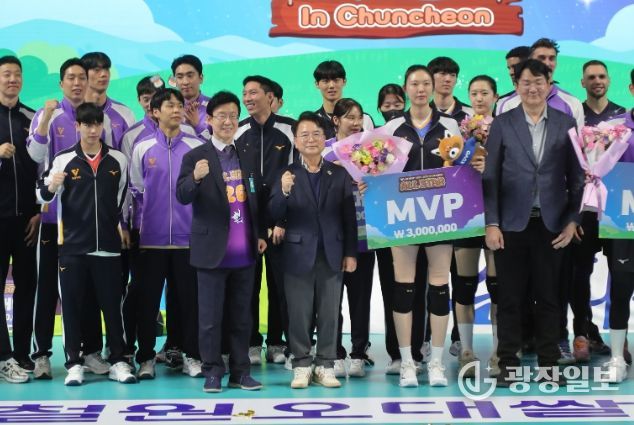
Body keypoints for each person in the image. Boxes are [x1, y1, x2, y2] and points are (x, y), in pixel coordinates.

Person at [483, 59, 584, 387]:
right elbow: (490, 177)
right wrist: (492, 223)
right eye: (526, 82)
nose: (532, 88)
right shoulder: (503, 123)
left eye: (539, 82)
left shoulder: (566, 122)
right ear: (516, 86)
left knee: (550, 298)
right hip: (511, 225)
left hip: (552, 226)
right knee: (510, 299)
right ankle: (508, 365)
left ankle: (549, 365)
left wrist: (572, 221)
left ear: (549, 84)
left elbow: (577, 178)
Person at [381, 64, 482, 387]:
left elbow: (464, 167)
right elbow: (379, 171)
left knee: (439, 288)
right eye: (415, 84)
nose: (421, 89)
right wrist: (368, 182)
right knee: (403, 289)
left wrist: (477, 161)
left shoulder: (452, 125)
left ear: (433, 87)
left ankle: (436, 361)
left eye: (426, 83)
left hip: (441, 216)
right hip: (404, 217)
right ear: (406, 88)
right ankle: (407, 362)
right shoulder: (392, 128)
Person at [38, 102, 135, 386]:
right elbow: (42, 195)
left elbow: (120, 199)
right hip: (73, 248)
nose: (93, 130)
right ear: (77, 126)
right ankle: (74, 364)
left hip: (108, 247)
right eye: (87, 125)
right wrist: (52, 186)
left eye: (97, 124)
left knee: (112, 308)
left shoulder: (118, 160)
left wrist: (111, 227)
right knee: (71, 308)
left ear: (103, 126)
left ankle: (118, 361)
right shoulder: (63, 159)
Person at [176, 90, 267, 393]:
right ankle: (212, 371)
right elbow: (182, 195)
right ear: (210, 120)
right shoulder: (195, 157)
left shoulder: (247, 153)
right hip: (212, 251)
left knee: (242, 318)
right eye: (222, 116)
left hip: (245, 251)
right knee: (210, 319)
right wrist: (196, 178)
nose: (228, 121)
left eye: (233, 116)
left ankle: (241, 371)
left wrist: (260, 234)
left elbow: (255, 197)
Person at [28, 58, 113, 379]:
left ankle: (90, 352)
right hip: (54, 221)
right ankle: (41, 354)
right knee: (47, 289)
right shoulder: (48, 114)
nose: (77, 83)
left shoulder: (97, 118)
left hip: (88, 225)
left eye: (81, 78)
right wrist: (45, 120)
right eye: (71, 78)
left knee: (87, 290)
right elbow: (35, 156)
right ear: (61, 83)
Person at [269, 111, 356, 389]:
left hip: (332, 253)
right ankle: (302, 364)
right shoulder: (286, 174)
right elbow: (273, 213)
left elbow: (349, 217)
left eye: (316, 134)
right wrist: (283, 191)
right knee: (299, 313)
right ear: (295, 141)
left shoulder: (339, 174)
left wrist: (350, 252)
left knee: (330, 312)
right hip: (297, 254)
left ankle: (326, 365)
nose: (311, 139)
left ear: (325, 138)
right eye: (304, 135)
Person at [129, 88, 205, 379]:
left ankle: (192, 355)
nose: (176, 110)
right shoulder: (142, 147)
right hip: (152, 241)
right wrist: (139, 230)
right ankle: (146, 358)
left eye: (179, 105)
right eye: (169, 105)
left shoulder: (195, 145)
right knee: (147, 303)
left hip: (188, 240)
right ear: (154, 112)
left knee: (190, 303)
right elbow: (136, 191)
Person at [568, 60, 627, 363]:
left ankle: (619, 335)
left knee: (621, 274)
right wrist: (573, 213)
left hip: (616, 210)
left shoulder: (624, 116)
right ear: (582, 82)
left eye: (602, 76)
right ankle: (583, 333)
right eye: (591, 77)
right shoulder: (575, 116)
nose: (597, 81)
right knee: (579, 272)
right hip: (586, 209)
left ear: (609, 80)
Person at [236, 75, 295, 366]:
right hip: (247, 224)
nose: (247, 98)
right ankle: (250, 342)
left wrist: (282, 220)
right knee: (248, 285)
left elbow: (297, 176)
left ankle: (275, 342)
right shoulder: (238, 131)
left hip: (280, 224)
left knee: (280, 286)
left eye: (253, 93)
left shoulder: (290, 129)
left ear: (269, 97)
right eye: (245, 93)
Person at [322, 98, 374, 378]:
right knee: (332, 299)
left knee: (360, 297)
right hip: (333, 237)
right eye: (349, 117)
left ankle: (358, 352)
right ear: (336, 120)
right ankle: (335, 352)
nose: (355, 123)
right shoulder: (325, 150)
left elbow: (386, 187)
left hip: (364, 234)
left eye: (358, 117)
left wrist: (372, 184)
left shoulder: (374, 150)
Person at [452, 75, 500, 377]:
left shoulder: (505, 128)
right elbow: (448, 171)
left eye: (484, 93)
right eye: (474, 93)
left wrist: (489, 165)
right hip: (466, 216)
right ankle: (466, 351)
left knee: (498, 288)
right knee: (464, 286)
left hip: (496, 216)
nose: (479, 98)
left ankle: (498, 351)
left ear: (495, 96)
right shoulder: (458, 131)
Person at [0, 55, 39, 383]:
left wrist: (39, 211)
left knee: (27, 287)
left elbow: (44, 166)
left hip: (27, 220)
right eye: (6, 74)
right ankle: (3, 357)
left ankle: (23, 353)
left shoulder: (32, 117)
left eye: (17, 74)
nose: (12, 79)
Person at [600, 69, 634, 382]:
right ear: (632, 89)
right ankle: (616, 359)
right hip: (623, 224)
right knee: (621, 289)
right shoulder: (615, 129)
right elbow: (598, 170)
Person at [496, 38, 584, 131]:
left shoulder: (573, 103)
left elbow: (578, 140)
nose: (547, 63)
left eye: (552, 58)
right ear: (530, 61)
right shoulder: (508, 104)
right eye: (541, 58)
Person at [80, 52, 135, 149]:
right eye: (97, 70)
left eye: (106, 69)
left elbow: (132, 152)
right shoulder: (69, 113)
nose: (104, 74)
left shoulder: (125, 113)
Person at [312, 60, 374, 139]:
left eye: (336, 80)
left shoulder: (365, 119)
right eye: (326, 81)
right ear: (317, 84)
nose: (331, 85)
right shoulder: (312, 122)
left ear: (344, 81)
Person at [171, 55, 210, 139]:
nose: (185, 82)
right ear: (175, 81)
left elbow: (221, 143)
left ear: (201, 78)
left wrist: (197, 126)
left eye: (190, 76)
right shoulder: (168, 110)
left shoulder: (215, 107)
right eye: (180, 77)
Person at [428, 56, 474, 124]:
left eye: (452, 75)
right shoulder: (422, 114)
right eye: (443, 74)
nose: (448, 79)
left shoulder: (472, 113)